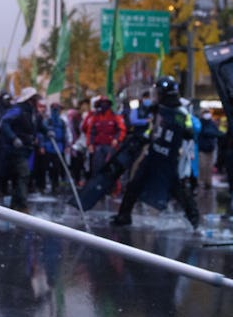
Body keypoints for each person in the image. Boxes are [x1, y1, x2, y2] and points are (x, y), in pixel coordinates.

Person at [111, 77, 201, 228]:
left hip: (167, 157)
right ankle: (124, 215)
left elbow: (189, 132)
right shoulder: (158, 109)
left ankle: (194, 217)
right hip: (153, 154)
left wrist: (179, 126)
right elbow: (154, 130)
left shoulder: (180, 112)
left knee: (177, 188)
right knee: (135, 184)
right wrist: (143, 137)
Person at [1, 87, 42, 211]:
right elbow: (4, 122)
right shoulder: (18, 110)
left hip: (28, 149)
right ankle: (22, 206)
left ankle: (15, 205)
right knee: (23, 174)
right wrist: (13, 138)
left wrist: (48, 131)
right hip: (17, 150)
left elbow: (40, 125)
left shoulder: (33, 113)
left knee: (20, 177)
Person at [81, 95, 125, 179]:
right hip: (98, 146)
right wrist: (90, 144)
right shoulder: (95, 117)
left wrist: (117, 139)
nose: (103, 105)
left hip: (110, 146)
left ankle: (114, 189)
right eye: (102, 103)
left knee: (111, 167)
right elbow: (90, 132)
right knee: (97, 167)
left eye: (105, 103)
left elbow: (121, 130)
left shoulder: (115, 116)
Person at [40, 102, 73, 193]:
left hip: (59, 147)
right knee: (46, 167)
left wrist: (66, 145)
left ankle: (55, 185)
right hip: (48, 147)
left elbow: (65, 135)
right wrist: (42, 146)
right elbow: (42, 134)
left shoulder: (62, 122)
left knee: (57, 167)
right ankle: (43, 185)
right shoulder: (47, 121)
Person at [195, 111, 222, 189]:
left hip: (210, 148)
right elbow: (205, 132)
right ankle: (200, 182)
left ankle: (208, 183)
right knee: (202, 166)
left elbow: (215, 132)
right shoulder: (200, 123)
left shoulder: (212, 123)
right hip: (202, 148)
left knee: (209, 167)